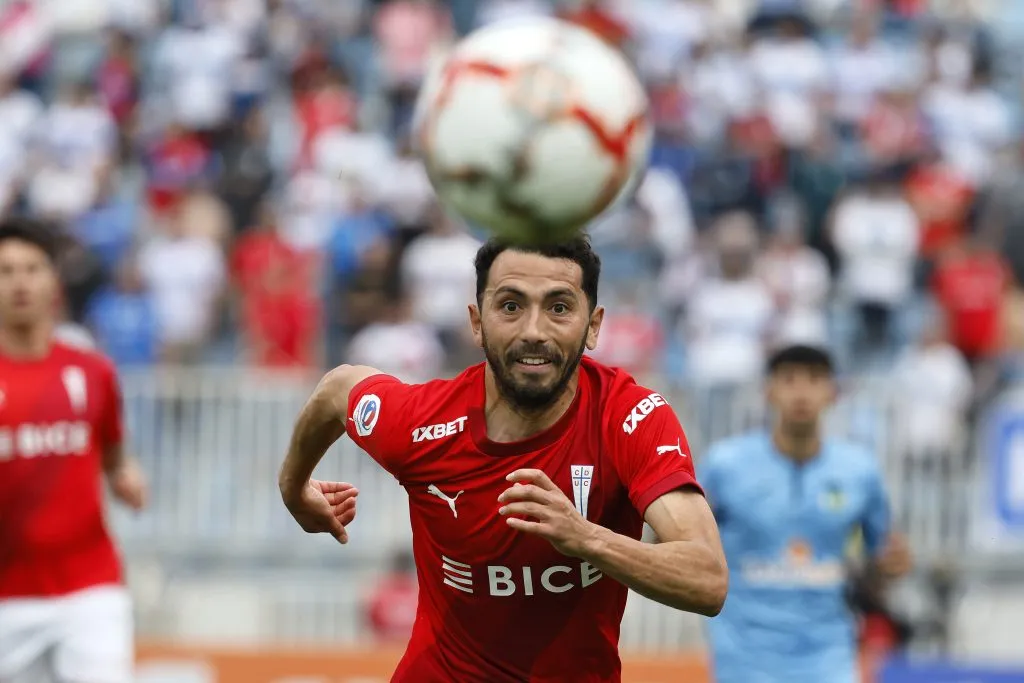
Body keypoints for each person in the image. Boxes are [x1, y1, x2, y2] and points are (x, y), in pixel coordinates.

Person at [279, 235, 727, 682]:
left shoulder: (629, 419)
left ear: (593, 326)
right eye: (511, 306)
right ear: (477, 322)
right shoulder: (421, 425)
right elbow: (338, 390)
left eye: (559, 307)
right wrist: (294, 490)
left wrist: (585, 538)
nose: (534, 331)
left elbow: (707, 580)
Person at [700, 344, 912, 683]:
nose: (801, 392)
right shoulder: (724, 466)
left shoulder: (860, 472)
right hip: (743, 658)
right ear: (769, 391)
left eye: (814, 380)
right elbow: (678, 539)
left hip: (829, 657)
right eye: (789, 380)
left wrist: (892, 565)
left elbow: (880, 563)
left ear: (833, 393)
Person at [0, 218, 147, 683]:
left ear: (53, 282)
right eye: (5, 271)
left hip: (90, 591)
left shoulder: (93, 373)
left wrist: (126, 475)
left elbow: (113, 455)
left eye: (31, 268)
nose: (20, 282)